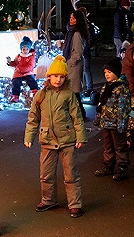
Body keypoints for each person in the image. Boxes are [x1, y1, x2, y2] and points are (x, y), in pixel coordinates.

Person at [24, 56, 87, 218]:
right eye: (55, 76)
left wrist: (80, 137)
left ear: (65, 78)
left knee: (71, 173)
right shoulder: (41, 95)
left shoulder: (68, 95)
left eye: (61, 77)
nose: (58, 80)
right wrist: (29, 136)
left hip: (67, 140)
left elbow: (76, 117)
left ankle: (75, 204)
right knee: (46, 173)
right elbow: (33, 118)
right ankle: (48, 199)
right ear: (49, 77)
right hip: (47, 140)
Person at [93, 57, 131, 181]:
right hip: (106, 122)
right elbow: (101, 104)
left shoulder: (121, 88)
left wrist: (121, 124)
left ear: (116, 72)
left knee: (119, 146)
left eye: (109, 72)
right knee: (108, 146)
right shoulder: (106, 87)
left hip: (116, 123)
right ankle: (108, 166)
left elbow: (123, 107)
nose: (106, 75)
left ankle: (122, 168)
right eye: (105, 73)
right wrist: (99, 118)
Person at [63, 9, 89, 111]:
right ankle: (77, 113)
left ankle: (80, 113)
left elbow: (77, 51)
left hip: (74, 65)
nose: (71, 20)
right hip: (71, 64)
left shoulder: (77, 33)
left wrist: (71, 62)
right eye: (70, 18)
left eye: (73, 18)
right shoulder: (71, 32)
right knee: (73, 91)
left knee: (74, 91)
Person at [6, 36, 38, 103]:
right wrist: (10, 62)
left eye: (27, 49)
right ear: (21, 49)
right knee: (15, 82)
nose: (25, 51)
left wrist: (21, 69)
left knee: (31, 80)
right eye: (24, 49)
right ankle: (15, 96)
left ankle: (35, 92)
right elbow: (15, 63)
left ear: (29, 49)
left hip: (27, 73)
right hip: (18, 74)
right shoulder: (19, 56)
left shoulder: (31, 57)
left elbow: (30, 66)